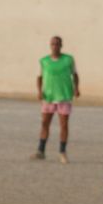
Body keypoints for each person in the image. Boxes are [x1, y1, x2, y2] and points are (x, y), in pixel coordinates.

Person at [31, 36, 79, 164]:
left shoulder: (68, 59)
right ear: (50, 45)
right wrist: (39, 91)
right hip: (49, 96)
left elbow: (75, 74)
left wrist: (76, 88)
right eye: (53, 44)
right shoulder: (44, 61)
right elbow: (39, 77)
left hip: (64, 96)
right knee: (45, 123)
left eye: (57, 44)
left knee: (64, 124)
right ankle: (41, 150)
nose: (55, 46)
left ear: (61, 45)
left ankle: (62, 152)